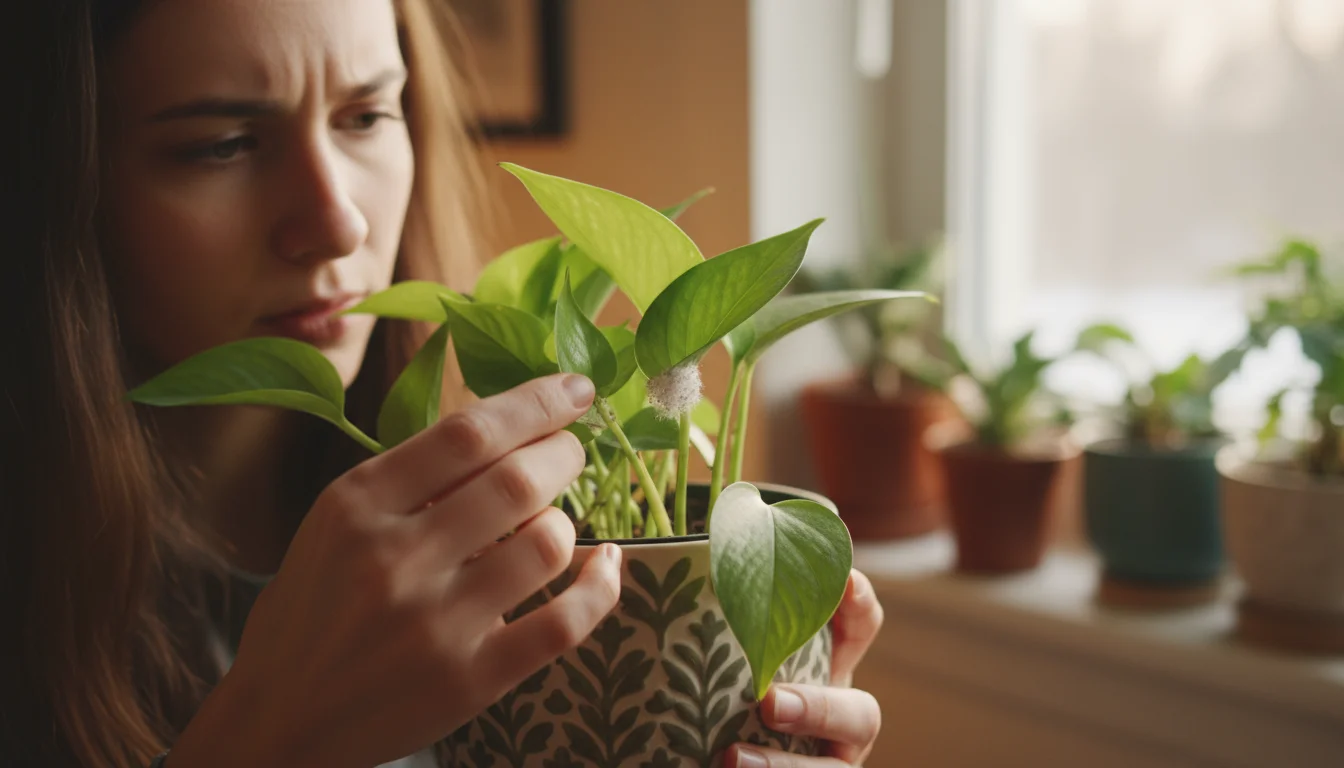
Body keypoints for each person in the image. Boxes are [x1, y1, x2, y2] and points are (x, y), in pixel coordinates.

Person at [3, 1, 885, 766]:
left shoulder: (491, 533)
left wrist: (750, 719)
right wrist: (263, 741)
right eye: (222, 145)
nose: (338, 221)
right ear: (58, 174)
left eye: (367, 116)